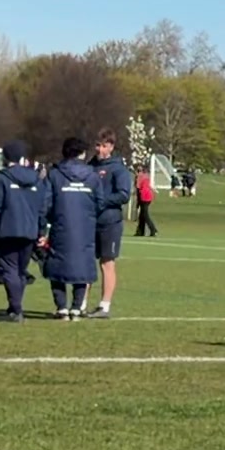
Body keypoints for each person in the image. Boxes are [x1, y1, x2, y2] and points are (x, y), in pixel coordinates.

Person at [0, 139, 44, 322]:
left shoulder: (1, 178)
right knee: (20, 271)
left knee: (9, 269)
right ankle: (14, 307)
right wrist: (41, 231)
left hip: (6, 231)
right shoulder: (36, 179)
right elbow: (42, 208)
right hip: (29, 231)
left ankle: (16, 309)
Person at [43, 137, 101, 320]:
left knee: (57, 266)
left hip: (60, 227)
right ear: (82, 153)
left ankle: (61, 307)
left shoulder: (54, 175)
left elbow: (46, 203)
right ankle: (76, 307)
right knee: (82, 266)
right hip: (85, 228)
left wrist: (52, 219)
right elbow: (100, 203)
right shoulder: (92, 176)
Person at [86, 128, 132, 318]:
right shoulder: (90, 166)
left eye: (104, 146)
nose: (100, 149)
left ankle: (104, 305)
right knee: (86, 263)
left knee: (107, 263)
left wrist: (101, 201)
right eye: (98, 145)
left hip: (110, 222)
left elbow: (123, 195)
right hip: (89, 221)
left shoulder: (118, 168)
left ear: (111, 147)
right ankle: (81, 303)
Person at [132, 167, 159, 237]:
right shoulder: (146, 176)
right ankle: (140, 231)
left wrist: (138, 203)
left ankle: (153, 229)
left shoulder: (139, 177)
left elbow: (138, 189)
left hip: (144, 196)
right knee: (142, 215)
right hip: (149, 196)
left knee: (145, 215)